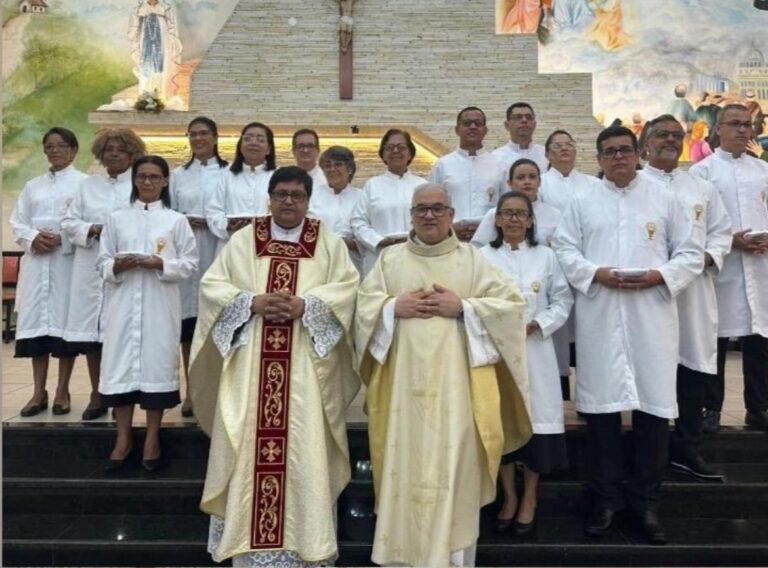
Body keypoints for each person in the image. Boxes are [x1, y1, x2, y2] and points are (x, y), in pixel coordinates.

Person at [189, 166, 360, 566]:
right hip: (252, 367)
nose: (288, 202)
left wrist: (309, 305)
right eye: (281, 194)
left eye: (296, 195)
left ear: (307, 200)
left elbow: (348, 290)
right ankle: (250, 549)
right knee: (248, 445)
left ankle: (307, 544)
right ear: (268, 198)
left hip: (304, 368)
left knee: (305, 450)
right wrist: (252, 302)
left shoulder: (328, 242)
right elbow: (212, 287)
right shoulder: (244, 239)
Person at [355, 183, 532, 567]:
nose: (429, 215)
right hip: (400, 399)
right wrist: (391, 307)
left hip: (459, 400)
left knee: (454, 478)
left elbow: (512, 309)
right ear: (411, 216)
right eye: (421, 209)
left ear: (452, 214)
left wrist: (465, 307)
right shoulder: (389, 261)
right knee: (403, 475)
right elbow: (362, 311)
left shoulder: (473, 261)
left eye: (437, 208)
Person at [553, 125, 703, 545]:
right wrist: (595, 273)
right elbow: (564, 250)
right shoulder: (581, 201)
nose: (617, 157)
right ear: (598, 159)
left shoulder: (666, 199)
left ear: (637, 153)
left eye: (624, 150)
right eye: (608, 152)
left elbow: (691, 254)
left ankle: (645, 504)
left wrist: (660, 275)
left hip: (651, 317)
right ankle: (605, 500)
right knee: (601, 415)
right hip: (600, 315)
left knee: (653, 414)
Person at [641, 115, 732, 482]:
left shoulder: (701, 188)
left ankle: (687, 447)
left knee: (692, 366)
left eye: (676, 136)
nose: (669, 140)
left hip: (693, 293)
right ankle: (652, 451)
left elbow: (721, 232)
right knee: (653, 367)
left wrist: (706, 258)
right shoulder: (632, 186)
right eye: (662, 134)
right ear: (645, 142)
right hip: (649, 295)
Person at [480, 191, 572, 536]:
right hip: (496, 354)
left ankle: (530, 497)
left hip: (536, 349)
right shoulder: (482, 257)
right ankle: (508, 495)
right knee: (502, 422)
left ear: (531, 221)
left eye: (521, 214)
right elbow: (473, 301)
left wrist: (539, 324)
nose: (515, 220)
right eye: (508, 213)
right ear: (497, 219)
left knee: (537, 423)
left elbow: (562, 300)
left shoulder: (546, 257)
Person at [98, 155, 198, 471]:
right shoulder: (116, 218)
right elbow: (101, 262)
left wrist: (161, 264)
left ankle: (153, 437)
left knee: (156, 368)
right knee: (121, 368)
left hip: (159, 305)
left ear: (165, 181)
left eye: (154, 177)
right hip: (123, 305)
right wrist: (116, 264)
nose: (147, 182)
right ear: (134, 180)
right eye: (142, 176)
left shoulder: (175, 221)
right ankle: (123, 437)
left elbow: (190, 263)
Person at [690, 104, 768, 432]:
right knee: (716, 338)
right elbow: (694, 223)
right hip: (721, 267)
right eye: (735, 124)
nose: (742, 131)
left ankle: (759, 407)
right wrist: (728, 240)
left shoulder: (763, 171)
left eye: (747, 125)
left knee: (759, 337)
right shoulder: (702, 173)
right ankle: (711, 408)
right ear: (718, 128)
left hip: (760, 264)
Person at [62, 128, 146, 421]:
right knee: (92, 335)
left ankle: (121, 395)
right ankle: (97, 394)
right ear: (100, 152)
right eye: (108, 148)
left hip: (124, 267)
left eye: (120, 149)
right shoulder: (88, 186)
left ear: (132, 153)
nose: (113, 153)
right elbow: (69, 222)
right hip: (89, 267)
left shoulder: (139, 184)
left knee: (120, 331)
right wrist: (93, 229)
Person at [10, 127, 87, 417]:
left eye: (61, 145)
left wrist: (63, 239)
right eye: (49, 146)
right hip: (37, 264)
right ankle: (38, 391)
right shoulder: (33, 186)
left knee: (63, 331)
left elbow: (87, 223)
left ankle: (62, 390)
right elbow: (18, 221)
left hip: (67, 265)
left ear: (74, 150)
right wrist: (32, 237)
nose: (55, 150)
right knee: (37, 332)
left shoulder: (84, 185)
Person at [170, 116, 229, 417]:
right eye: (193, 134)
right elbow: (169, 213)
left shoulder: (230, 172)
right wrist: (184, 220)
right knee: (188, 326)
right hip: (187, 251)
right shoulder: (178, 175)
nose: (198, 139)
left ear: (216, 137)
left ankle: (219, 391)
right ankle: (192, 391)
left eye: (204, 133)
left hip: (218, 250)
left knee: (218, 320)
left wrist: (211, 222)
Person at [538, 130, 599, 398]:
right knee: (557, 337)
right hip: (553, 267)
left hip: (586, 267)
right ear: (547, 153)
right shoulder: (539, 184)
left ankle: (589, 398)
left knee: (588, 334)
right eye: (557, 146)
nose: (564, 150)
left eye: (569, 145)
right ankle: (559, 396)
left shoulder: (592, 185)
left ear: (576, 151)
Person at [350, 129, 428, 276]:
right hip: (379, 257)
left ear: (410, 153)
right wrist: (379, 242)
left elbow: (430, 219)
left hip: (416, 254)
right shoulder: (372, 185)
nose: (395, 151)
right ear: (383, 155)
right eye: (390, 148)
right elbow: (358, 222)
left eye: (401, 147)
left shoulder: (422, 185)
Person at [429, 107, 506, 242]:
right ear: (457, 130)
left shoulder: (499, 165)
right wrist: (449, 228)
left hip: (490, 239)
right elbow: (432, 203)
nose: (472, 127)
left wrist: (485, 227)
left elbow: (506, 204)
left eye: (478, 123)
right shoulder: (443, 165)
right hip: (451, 238)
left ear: (485, 130)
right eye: (467, 123)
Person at [207, 122, 276, 251]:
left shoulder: (278, 177)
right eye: (247, 138)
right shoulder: (226, 175)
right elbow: (213, 212)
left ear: (269, 149)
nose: (253, 143)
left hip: (266, 246)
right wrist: (228, 225)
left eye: (260, 140)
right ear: (240, 146)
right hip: (231, 244)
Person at [472, 159, 561, 248]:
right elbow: (478, 248)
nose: (527, 182)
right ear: (510, 183)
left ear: (539, 182)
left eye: (532, 177)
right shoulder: (495, 214)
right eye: (520, 178)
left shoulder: (555, 215)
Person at [309, 145, 362, 272]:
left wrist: (346, 243)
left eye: (338, 164)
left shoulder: (362, 196)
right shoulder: (311, 195)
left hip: (350, 261)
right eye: (327, 166)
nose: (332, 169)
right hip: (316, 259)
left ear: (349, 169)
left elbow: (366, 233)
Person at [128, 0, 182, 100]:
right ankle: (145, 96)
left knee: (160, 67)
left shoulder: (166, 7)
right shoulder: (139, 9)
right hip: (145, 42)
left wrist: (171, 41)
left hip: (162, 42)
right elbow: (133, 28)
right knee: (146, 66)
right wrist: (133, 33)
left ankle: (161, 96)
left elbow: (172, 27)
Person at [492, 102, 549, 173]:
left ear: (534, 124)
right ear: (507, 125)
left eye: (529, 117)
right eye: (518, 117)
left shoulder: (547, 155)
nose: (524, 120)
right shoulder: (495, 158)